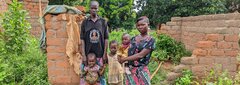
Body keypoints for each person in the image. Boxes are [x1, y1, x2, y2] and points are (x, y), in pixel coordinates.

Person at [118, 16, 155, 85]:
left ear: (148, 25)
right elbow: (127, 50)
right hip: (130, 70)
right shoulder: (133, 39)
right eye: (138, 25)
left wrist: (124, 59)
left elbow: (140, 55)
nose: (140, 27)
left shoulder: (150, 40)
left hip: (141, 71)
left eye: (143, 24)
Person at [80, 1, 108, 85]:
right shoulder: (85, 22)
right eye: (92, 8)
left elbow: (106, 38)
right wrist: (84, 55)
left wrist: (105, 54)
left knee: (101, 76)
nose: (94, 10)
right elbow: (82, 39)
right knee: (85, 77)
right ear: (89, 9)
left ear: (98, 9)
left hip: (100, 55)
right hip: (88, 57)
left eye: (95, 8)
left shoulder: (103, 22)